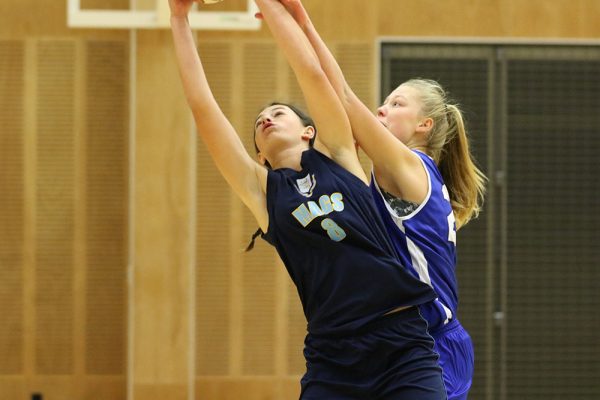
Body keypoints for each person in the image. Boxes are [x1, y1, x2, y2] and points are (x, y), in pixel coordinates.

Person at [169, 0, 447, 398]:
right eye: (259, 123)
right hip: (333, 360)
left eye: (279, 113)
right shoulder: (263, 192)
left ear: (308, 131)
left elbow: (312, 73)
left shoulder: (339, 155)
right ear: (259, 155)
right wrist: (179, 18)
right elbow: (202, 107)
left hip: (401, 345)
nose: (266, 119)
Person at [258, 1, 486, 399]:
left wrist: (302, 21)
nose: (382, 107)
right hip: (405, 339)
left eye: (397, 104)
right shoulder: (388, 174)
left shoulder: (409, 165)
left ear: (423, 125)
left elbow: (341, 96)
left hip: (430, 340)